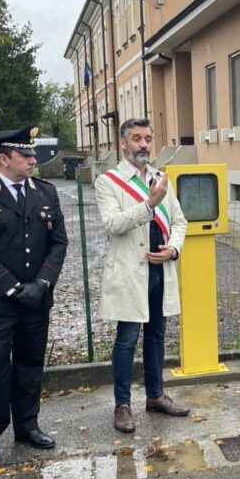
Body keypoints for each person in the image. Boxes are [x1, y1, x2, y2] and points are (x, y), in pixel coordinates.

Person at [0, 126, 68, 467]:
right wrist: (11, 287)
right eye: (26, 155)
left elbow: (58, 243)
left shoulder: (45, 193)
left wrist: (42, 284)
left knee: (30, 362)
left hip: (35, 298)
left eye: (33, 154)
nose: (34, 160)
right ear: (4, 159)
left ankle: (27, 425)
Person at [95, 118, 189, 432]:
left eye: (148, 138)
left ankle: (155, 395)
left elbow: (180, 221)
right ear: (123, 143)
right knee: (127, 341)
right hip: (129, 273)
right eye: (137, 138)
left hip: (159, 270)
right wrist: (149, 204)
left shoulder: (162, 178)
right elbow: (113, 224)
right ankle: (122, 405)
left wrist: (173, 250)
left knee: (157, 337)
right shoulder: (108, 181)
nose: (144, 145)